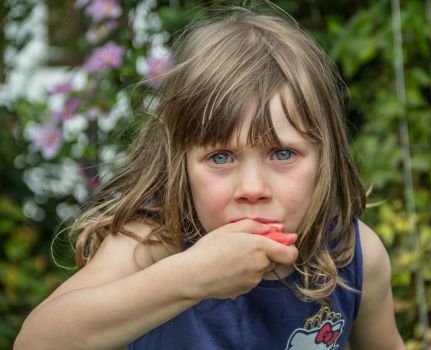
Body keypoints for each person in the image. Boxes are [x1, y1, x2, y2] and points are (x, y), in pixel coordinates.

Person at [14, 5, 405, 350]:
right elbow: (37, 342)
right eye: (221, 157)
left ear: (327, 157)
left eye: (283, 153)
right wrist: (190, 277)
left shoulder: (353, 255)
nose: (252, 189)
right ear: (179, 161)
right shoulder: (153, 243)